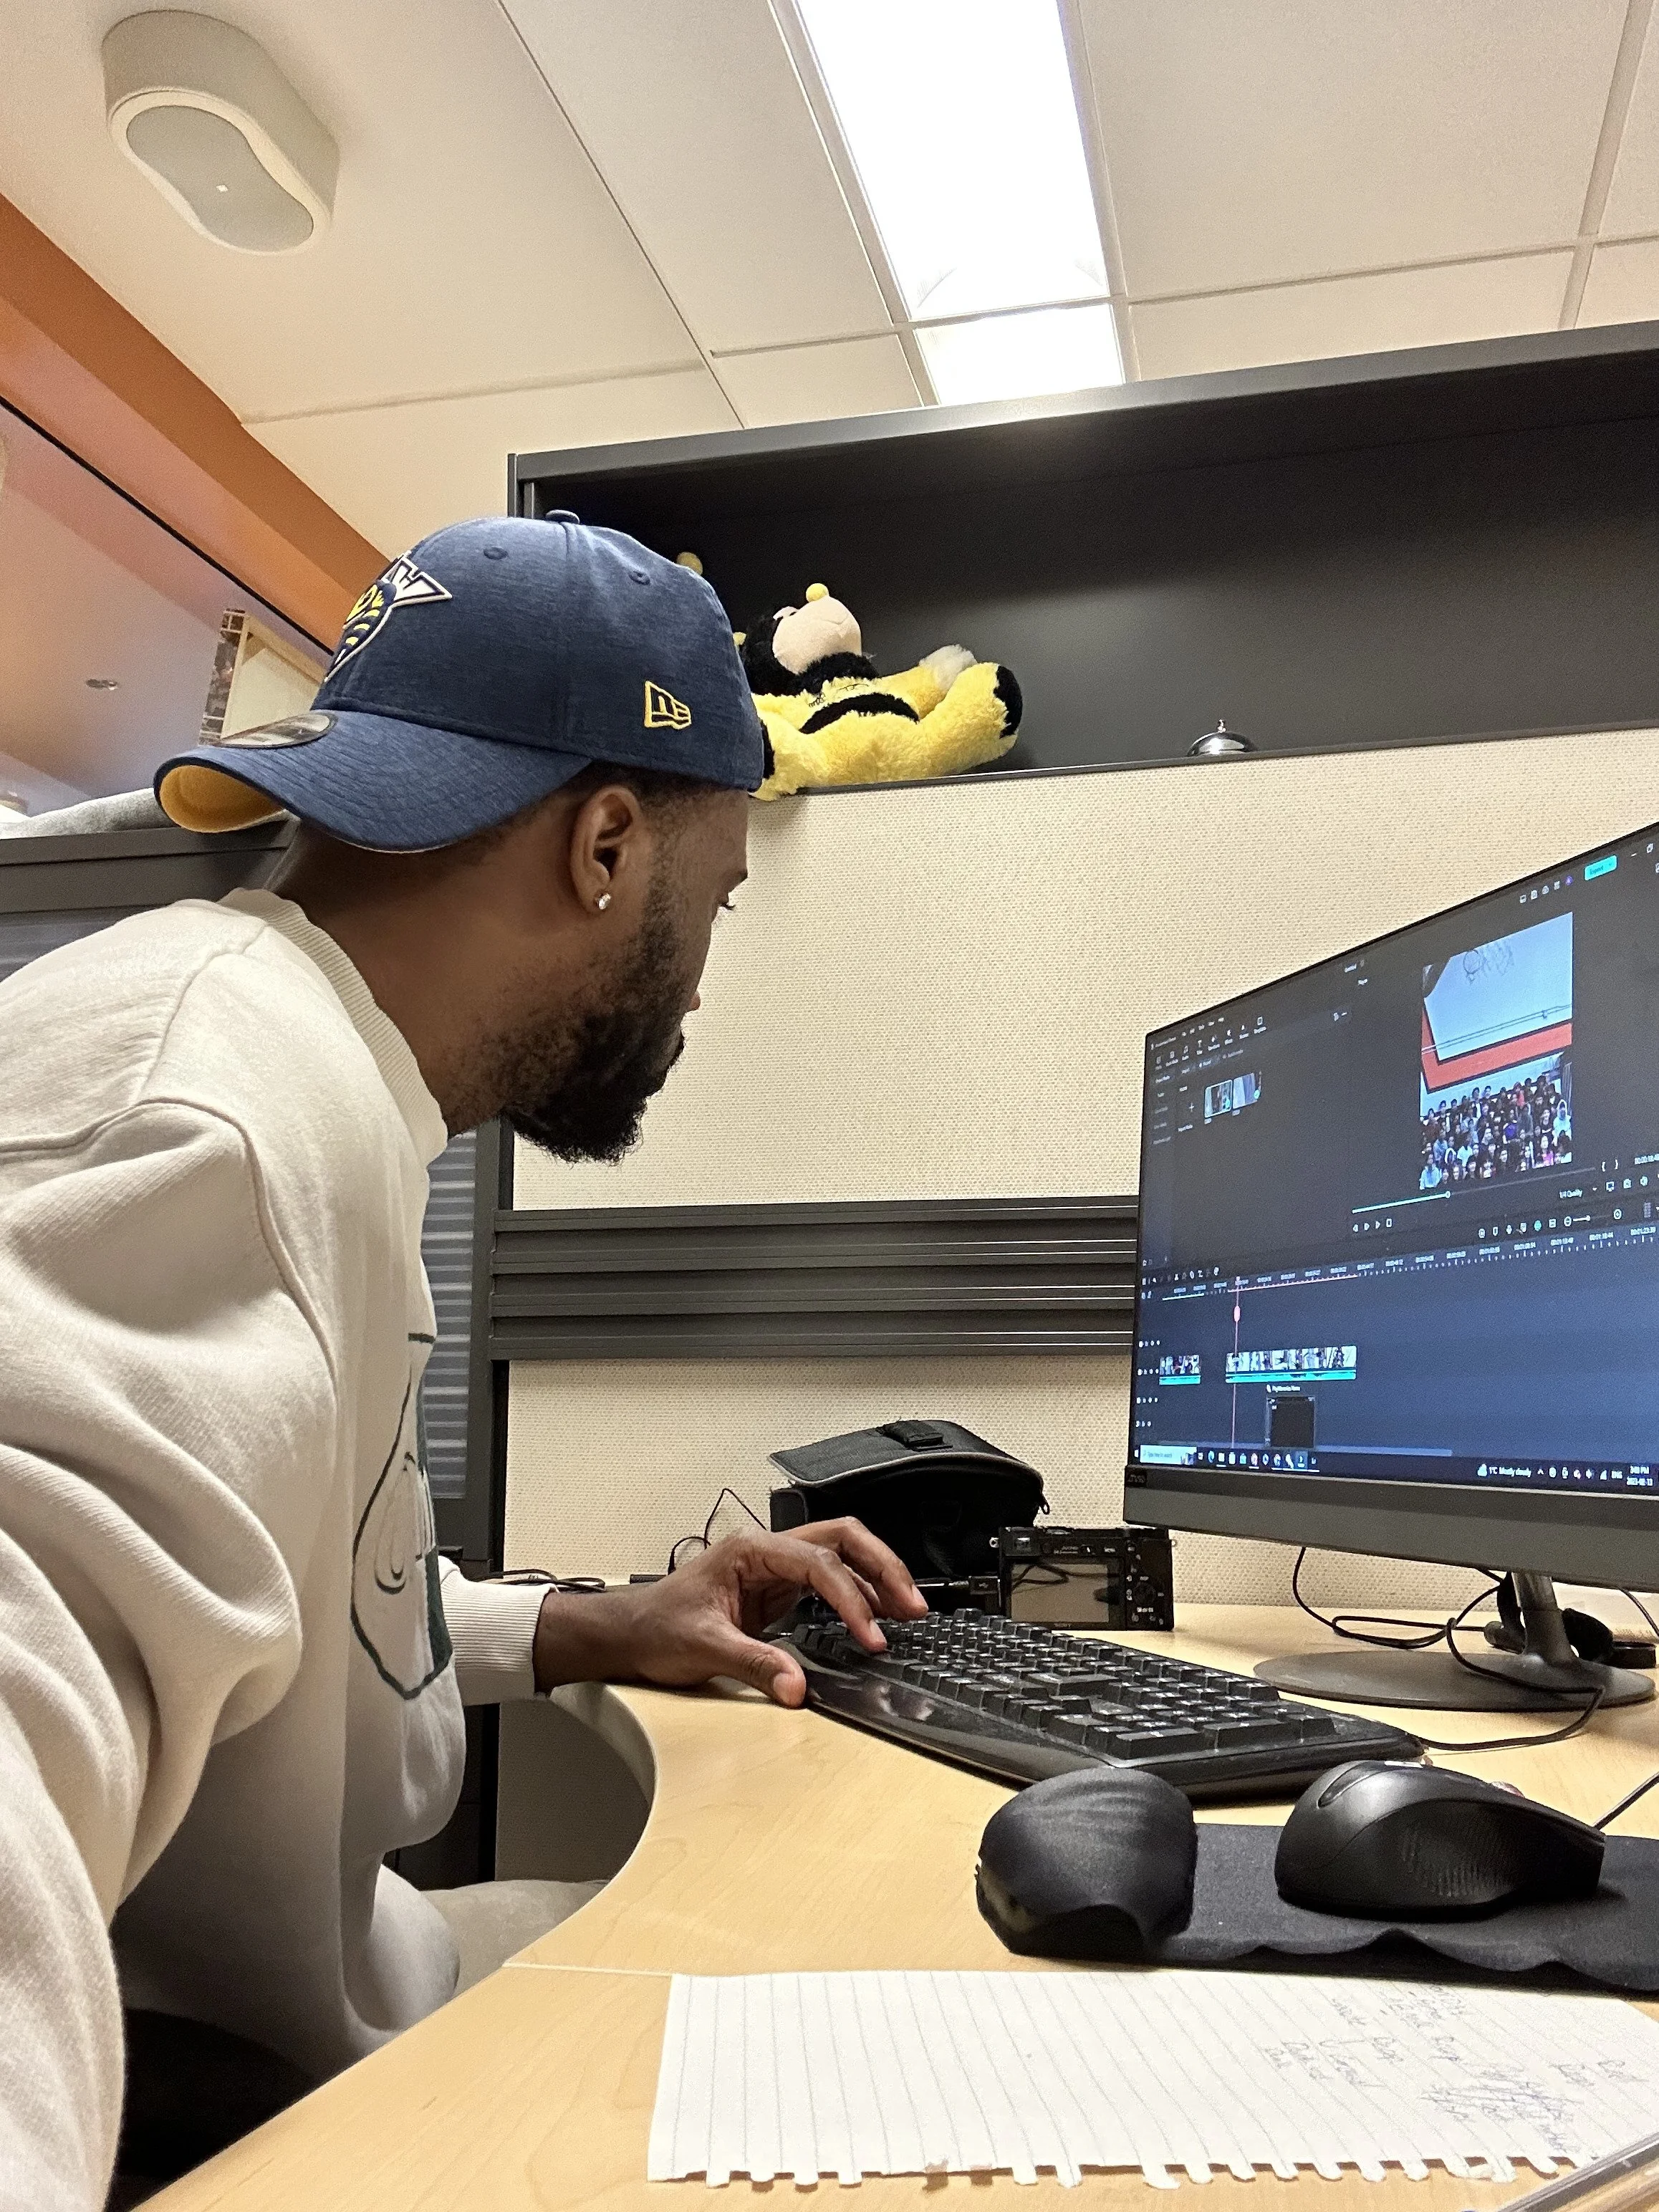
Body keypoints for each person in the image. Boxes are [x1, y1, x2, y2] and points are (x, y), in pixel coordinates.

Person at [0, 516, 926, 2211]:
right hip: (229, 2091)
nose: (701, 984)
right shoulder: (189, 1106)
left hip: (338, 1992)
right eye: (714, 903)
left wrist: (585, 1623)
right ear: (605, 845)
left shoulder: (311, 1066)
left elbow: (279, 1583)